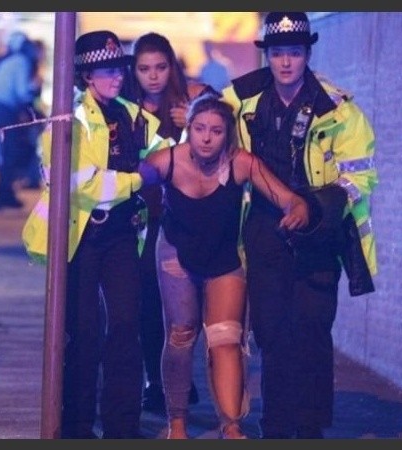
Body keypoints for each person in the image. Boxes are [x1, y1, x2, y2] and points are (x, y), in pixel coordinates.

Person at [221, 12, 379, 439]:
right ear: (267, 57)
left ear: (307, 53)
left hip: (319, 232)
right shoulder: (242, 100)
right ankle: (275, 424)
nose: (286, 62)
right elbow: (209, 131)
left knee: (312, 329)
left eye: (293, 53)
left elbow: (360, 178)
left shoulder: (339, 108)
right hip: (263, 229)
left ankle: (309, 428)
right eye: (277, 54)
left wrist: (314, 208)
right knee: (271, 331)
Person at [21, 30, 164, 439]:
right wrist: (138, 180)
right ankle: (77, 424)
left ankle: (122, 424)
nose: (116, 77)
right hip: (80, 236)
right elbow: (82, 185)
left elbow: (168, 151)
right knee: (82, 334)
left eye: (118, 68)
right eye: (105, 70)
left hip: (122, 235)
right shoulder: (69, 119)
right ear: (85, 75)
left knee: (125, 327)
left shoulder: (133, 115)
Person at [142, 94, 310, 439]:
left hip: (222, 257)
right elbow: (129, 182)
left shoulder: (241, 162)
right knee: (182, 332)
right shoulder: (167, 161)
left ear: (227, 134)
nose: (206, 137)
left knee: (226, 338)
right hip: (177, 252)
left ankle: (232, 425)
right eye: (199, 128)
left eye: (216, 131)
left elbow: (285, 197)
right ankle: (177, 422)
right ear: (189, 129)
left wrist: (298, 207)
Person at [121, 31, 219, 415]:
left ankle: (182, 379)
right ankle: (155, 380)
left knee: (186, 308)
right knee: (148, 302)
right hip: (143, 217)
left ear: (172, 68)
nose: (153, 76)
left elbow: (220, 141)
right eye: (144, 68)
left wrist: (192, 116)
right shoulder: (126, 109)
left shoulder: (194, 99)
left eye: (161, 67)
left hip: (190, 217)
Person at [0, 32, 43, 209]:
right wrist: (35, 106)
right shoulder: (22, 62)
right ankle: (4, 195)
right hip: (3, 108)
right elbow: (22, 92)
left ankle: (3, 194)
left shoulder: (11, 60)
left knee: (8, 151)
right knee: (11, 152)